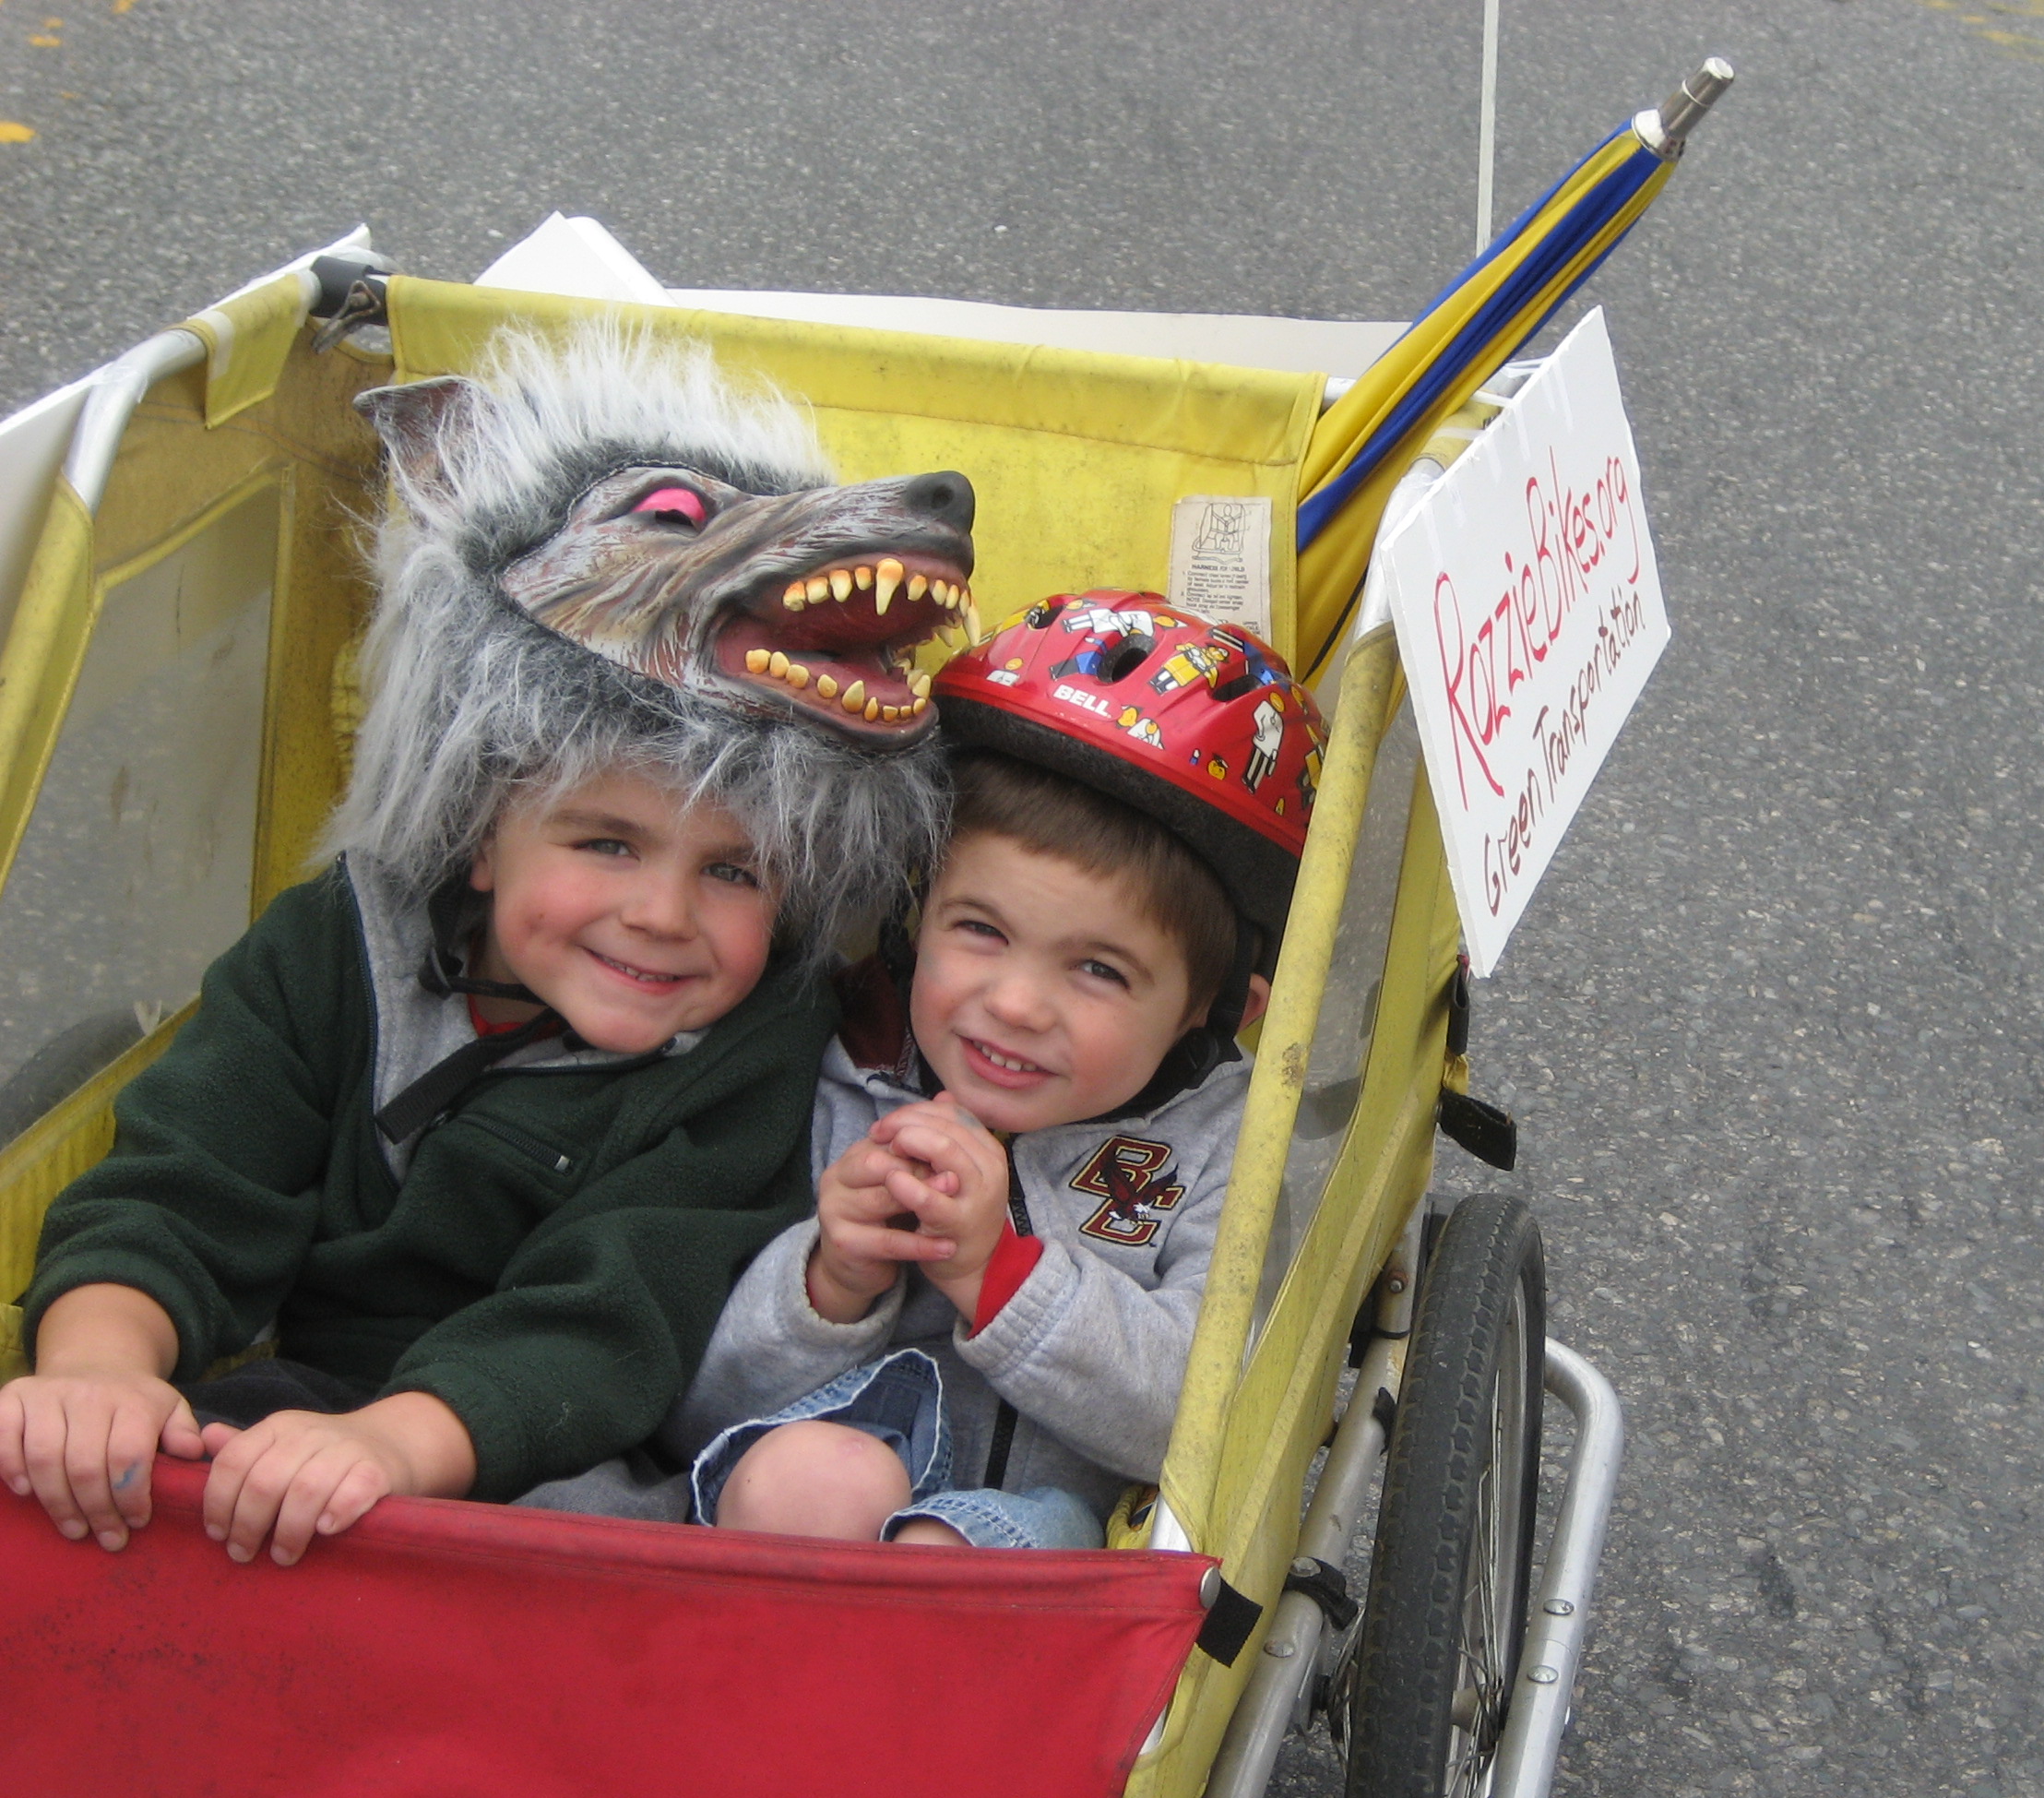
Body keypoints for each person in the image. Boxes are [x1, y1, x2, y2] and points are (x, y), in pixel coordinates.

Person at [0, 327, 960, 1568]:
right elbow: (188, 1180)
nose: (662, 914)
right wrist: (98, 1368)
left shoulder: (754, 1042)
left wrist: (397, 1445)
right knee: (111, 1477)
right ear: (480, 834)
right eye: (606, 843)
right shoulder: (340, 947)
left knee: (607, 1552)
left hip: (554, 1460)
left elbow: (610, 1312)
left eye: (734, 872)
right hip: (296, 1399)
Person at [673, 592, 1325, 1549]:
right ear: (915, 916)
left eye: (1099, 970)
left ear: (1216, 1008)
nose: (1016, 1003)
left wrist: (998, 1274)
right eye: (980, 930)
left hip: (1064, 1548)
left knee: (943, 1549)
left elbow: (1203, 1428)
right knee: (803, 1481)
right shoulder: (842, 1070)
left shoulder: (1226, 1146)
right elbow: (694, 1416)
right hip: (808, 1505)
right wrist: (828, 1279)